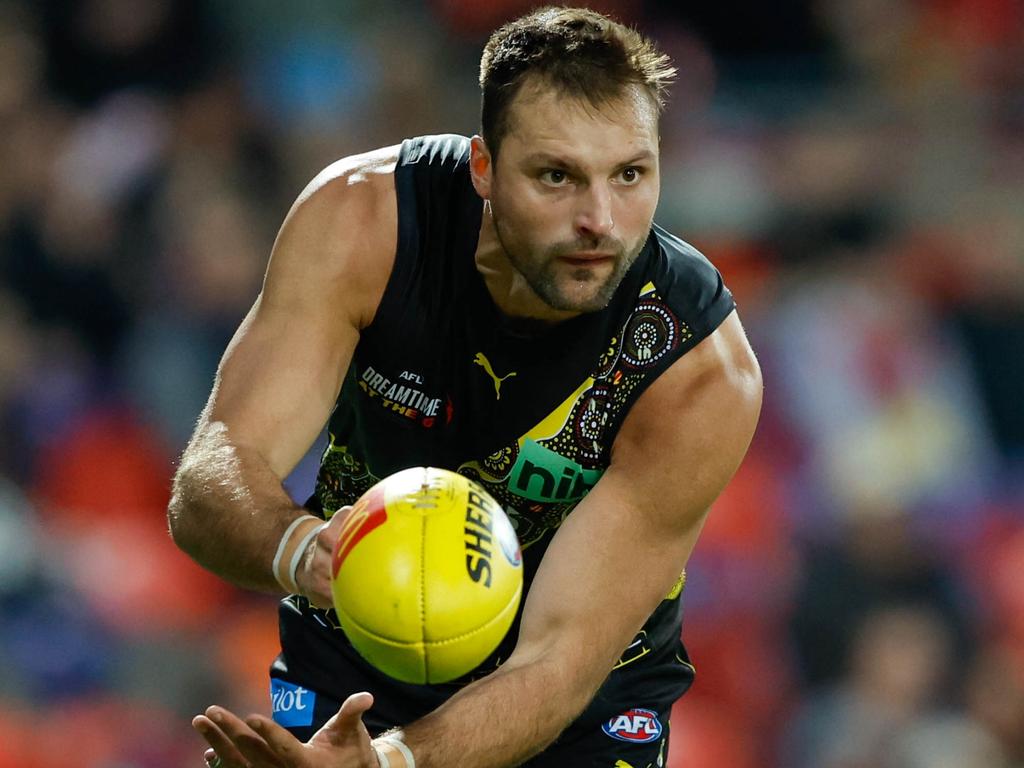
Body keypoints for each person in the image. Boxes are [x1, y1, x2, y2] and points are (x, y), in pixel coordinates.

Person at [169, 7, 762, 768]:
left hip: (578, 712)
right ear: (483, 167)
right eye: (557, 175)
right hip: (351, 661)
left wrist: (385, 765)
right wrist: (305, 550)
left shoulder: (694, 366)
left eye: (630, 175)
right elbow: (211, 476)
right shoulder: (365, 221)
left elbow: (557, 664)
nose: (600, 221)